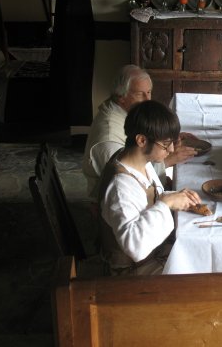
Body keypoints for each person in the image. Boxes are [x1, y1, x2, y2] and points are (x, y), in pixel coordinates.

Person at [98, 100, 202, 275]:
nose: (170, 150)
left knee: (198, 250)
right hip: (132, 270)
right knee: (199, 271)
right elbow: (134, 247)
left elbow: (149, 197)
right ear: (141, 140)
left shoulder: (139, 161)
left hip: (152, 253)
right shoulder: (120, 187)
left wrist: (176, 196)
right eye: (165, 144)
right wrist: (166, 203)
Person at [82, 64, 197, 200]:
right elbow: (129, 180)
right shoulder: (109, 139)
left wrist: (164, 137)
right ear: (121, 97)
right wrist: (167, 161)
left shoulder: (127, 112)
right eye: (139, 94)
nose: (147, 99)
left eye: (148, 92)